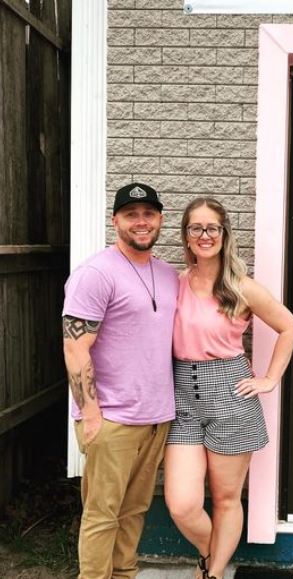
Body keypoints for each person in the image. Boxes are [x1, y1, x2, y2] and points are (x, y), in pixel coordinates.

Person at [164, 197, 293, 579]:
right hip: (182, 400)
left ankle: (212, 573)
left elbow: (289, 327)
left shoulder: (242, 288)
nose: (204, 235)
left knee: (225, 499)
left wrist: (270, 378)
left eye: (212, 228)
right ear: (186, 237)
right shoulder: (174, 284)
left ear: (224, 235)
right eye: (196, 228)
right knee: (181, 503)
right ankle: (212, 553)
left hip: (230, 395)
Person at [62, 183, 179, 579]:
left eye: (149, 213)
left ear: (160, 219)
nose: (141, 222)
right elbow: (76, 348)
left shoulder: (167, 275)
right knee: (102, 515)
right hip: (112, 418)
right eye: (132, 214)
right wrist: (91, 415)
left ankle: (124, 574)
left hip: (156, 417)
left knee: (134, 512)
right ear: (116, 221)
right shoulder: (95, 273)